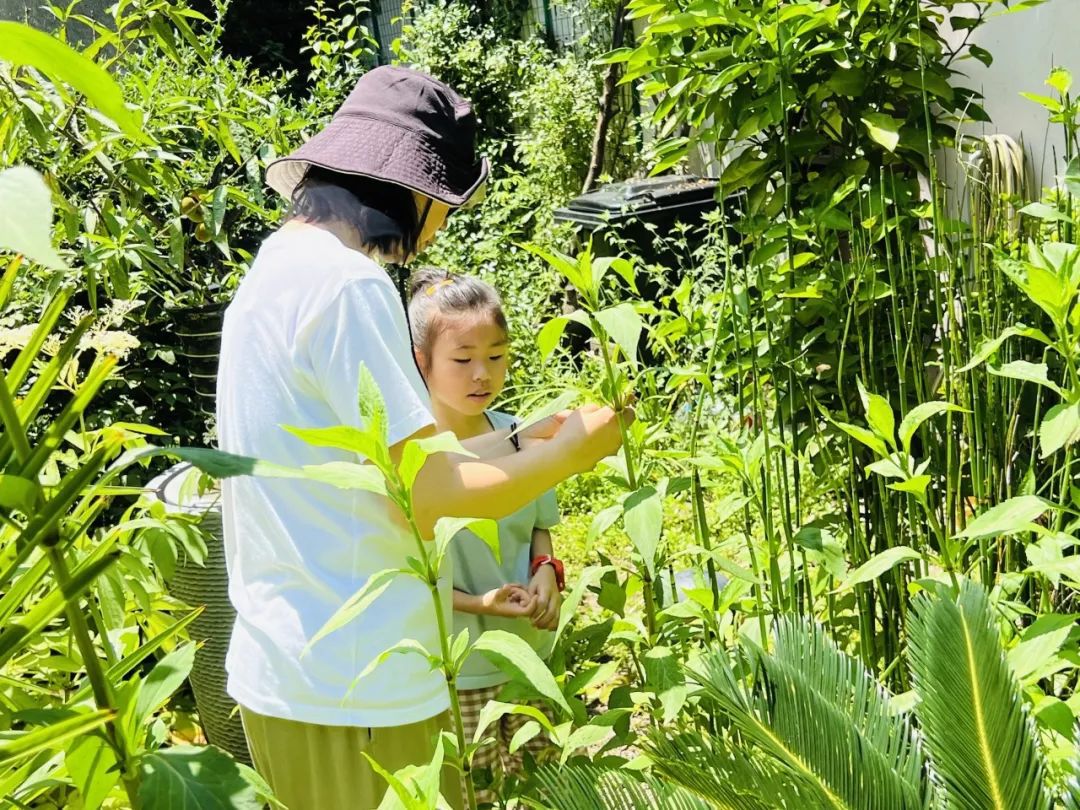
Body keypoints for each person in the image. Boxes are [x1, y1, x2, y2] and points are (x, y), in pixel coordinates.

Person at [215, 65, 630, 810]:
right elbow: (427, 496)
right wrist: (570, 454)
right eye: (439, 203)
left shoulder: (275, 269)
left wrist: (515, 442)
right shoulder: (351, 286)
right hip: (359, 687)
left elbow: (364, 475)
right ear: (407, 186)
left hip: (288, 668)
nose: (437, 224)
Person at [407, 268, 563, 805]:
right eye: (462, 358)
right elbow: (408, 569)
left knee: (544, 784)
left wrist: (548, 576)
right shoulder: (415, 456)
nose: (482, 374)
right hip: (458, 669)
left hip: (528, 654)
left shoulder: (522, 431)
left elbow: (540, 526)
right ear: (421, 360)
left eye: (496, 356)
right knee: (476, 792)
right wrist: (480, 603)